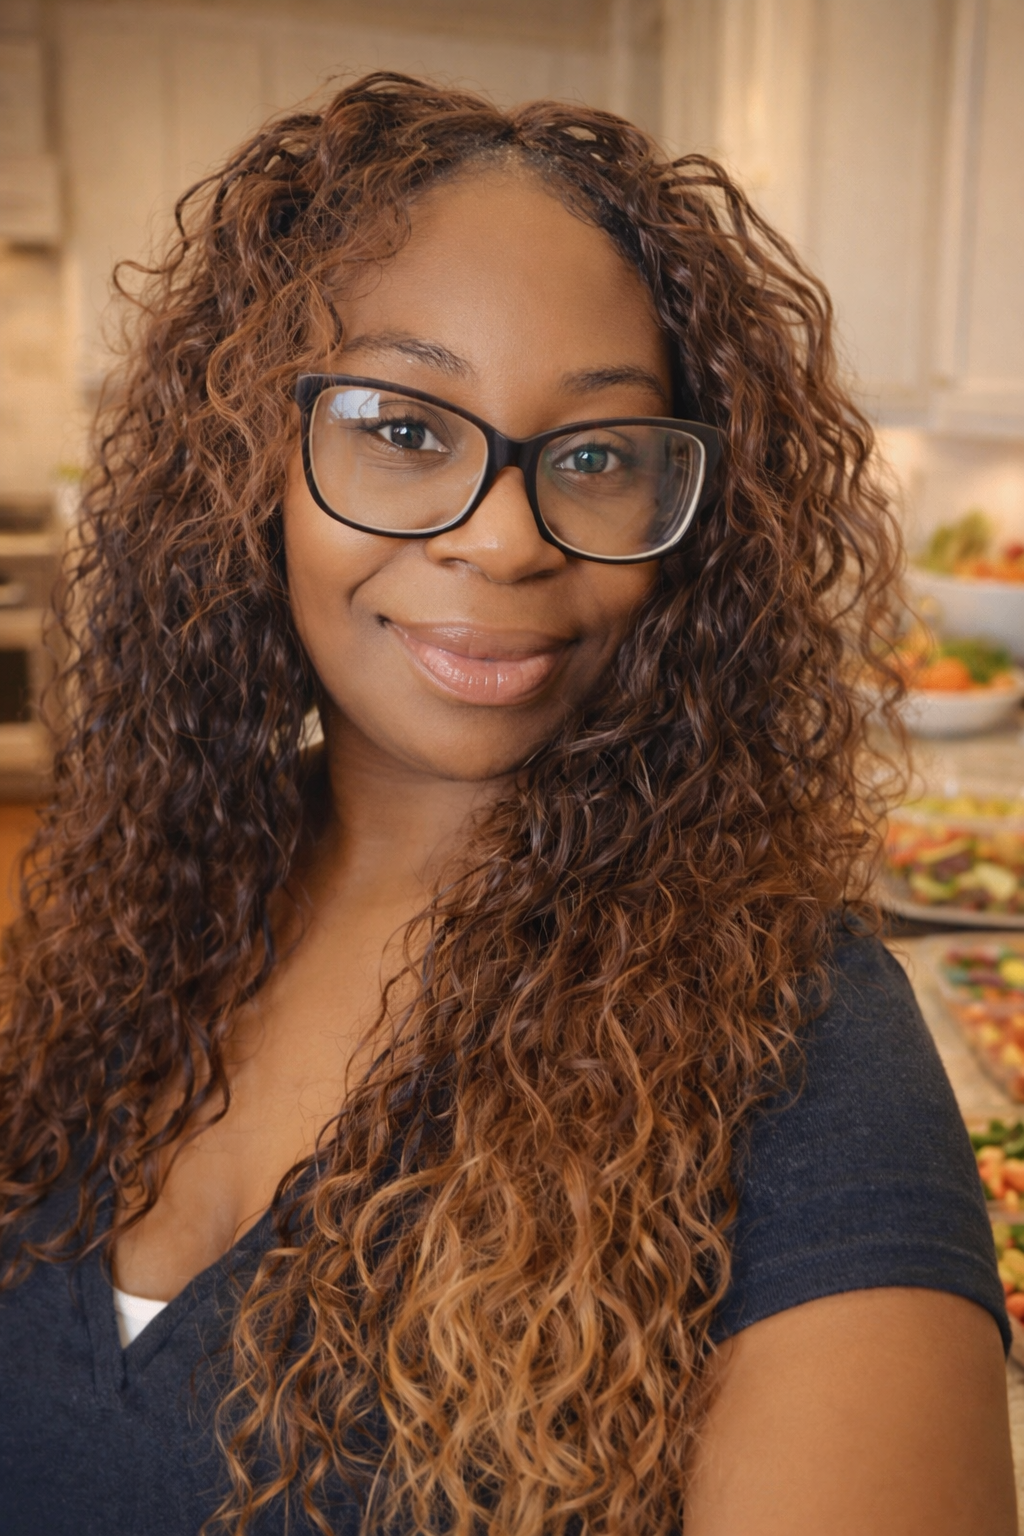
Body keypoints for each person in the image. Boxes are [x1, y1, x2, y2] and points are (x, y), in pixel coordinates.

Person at [0, 72, 1015, 1536]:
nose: (500, 538)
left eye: (598, 458)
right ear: (255, 464)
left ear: (695, 524)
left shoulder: (799, 1053)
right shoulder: (145, 903)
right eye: (404, 428)